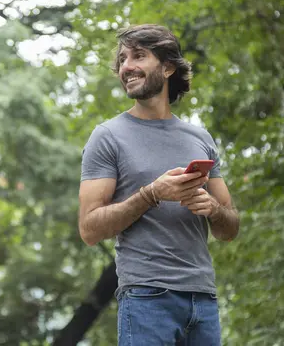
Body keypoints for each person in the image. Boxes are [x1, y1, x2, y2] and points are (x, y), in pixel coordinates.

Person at [78, 24, 240, 346]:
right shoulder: (108, 137)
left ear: (168, 68)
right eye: (122, 59)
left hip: (203, 299)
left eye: (138, 56)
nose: (126, 67)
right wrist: (151, 194)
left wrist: (213, 210)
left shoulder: (200, 139)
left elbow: (230, 228)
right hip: (146, 299)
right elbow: (89, 229)